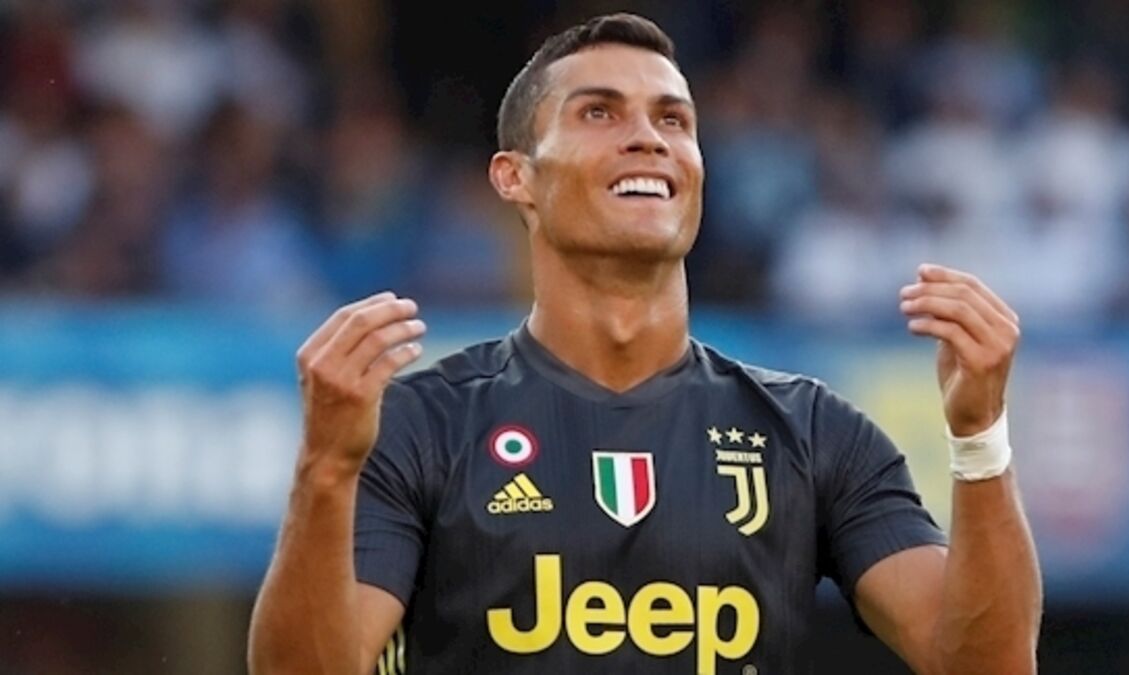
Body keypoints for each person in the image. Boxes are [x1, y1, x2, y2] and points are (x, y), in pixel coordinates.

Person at [247, 13, 1040, 675]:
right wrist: (325, 468)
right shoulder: (420, 426)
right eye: (600, 113)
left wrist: (980, 439)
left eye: (673, 119)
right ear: (515, 177)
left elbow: (985, 664)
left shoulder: (813, 432)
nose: (649, 139)